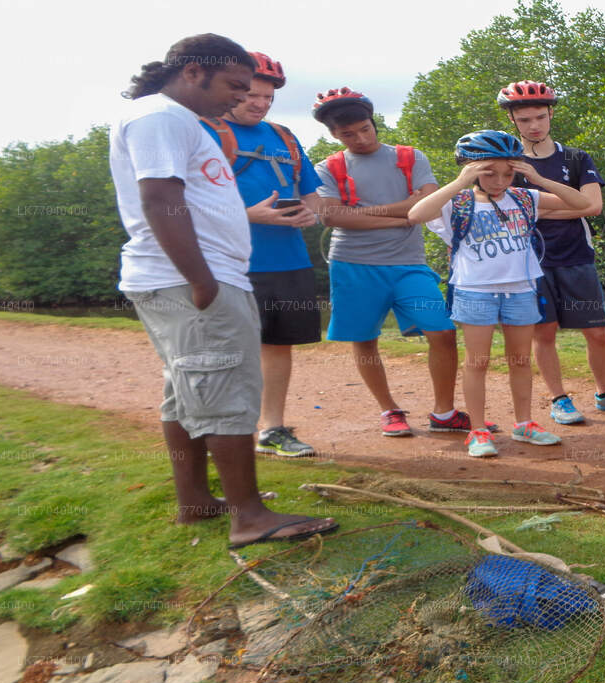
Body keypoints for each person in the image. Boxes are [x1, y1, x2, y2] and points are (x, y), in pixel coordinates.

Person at [111, 34, 336, 548]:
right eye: (234, 86)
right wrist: (202, 279)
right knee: (226, 389)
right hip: (192, 278)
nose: (239, 98)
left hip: (188, 276)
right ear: (193, 72)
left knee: (187, 390)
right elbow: (159, 196)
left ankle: (194, 500)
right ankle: (249, 516)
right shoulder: (160, 117)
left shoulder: (181, 121)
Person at [408, 130, 597, 458]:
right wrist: (459, 182)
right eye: (490, 173)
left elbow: (584, 204)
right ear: (472, 170)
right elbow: (415, 215)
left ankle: (524, 424)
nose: (499, 181)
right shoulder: (458, 202)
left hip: (521, 291)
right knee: (477, 362)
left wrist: (538, 178)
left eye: (508, 173)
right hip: (475, 292)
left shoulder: (525, 198)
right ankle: (478, 430)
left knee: (520, 360)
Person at [312, 87, 480, 438]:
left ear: (373, 123)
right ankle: (389, 410)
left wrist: (362, 212)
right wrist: (402, 214)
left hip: (409, 264)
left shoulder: (410, 157)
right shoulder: (327, 167)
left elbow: (428, 202)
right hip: (352, 264)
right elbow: (330, 217)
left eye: (365, 129)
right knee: (364, 339)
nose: (359, 138)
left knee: (443, 331)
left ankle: (444, 413)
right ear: (333, 135)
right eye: (347, 134)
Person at [498, 80, 605, 424]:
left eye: (539, 116)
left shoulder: (576, 158)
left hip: (577, 256)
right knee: (544, 332)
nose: (534, 125)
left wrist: (540, 204)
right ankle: (559, 398)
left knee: (596, 332)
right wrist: (567, 204)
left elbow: (593, 206)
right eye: (524, 120)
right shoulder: (507, 164)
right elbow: (510, 212)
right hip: (528, 261)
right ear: (513, 122)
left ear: (551, 113)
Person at [199, 51, 323, 458]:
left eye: (268, 98)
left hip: (288, 261)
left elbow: (313, 195)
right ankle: (223, 431)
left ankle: (272, 430)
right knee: (226, 350)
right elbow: (182, 205)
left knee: (278, 345)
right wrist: (247, 215)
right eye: (251, 94)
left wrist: (310, 213)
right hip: (228, 263)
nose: (259, 103)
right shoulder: (202, 132)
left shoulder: (284, 136)